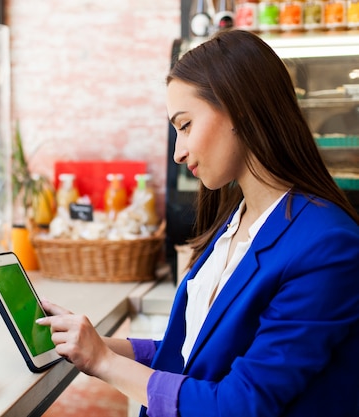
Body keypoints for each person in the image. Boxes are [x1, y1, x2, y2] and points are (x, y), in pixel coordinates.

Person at [37, 29, 359, 417]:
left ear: (240, 110)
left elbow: (241, 405)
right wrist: (91, 343)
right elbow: (192, 350)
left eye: (186, 125)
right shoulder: (236, 225)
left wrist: (104, 362)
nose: (178, 152)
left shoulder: (328, 246)